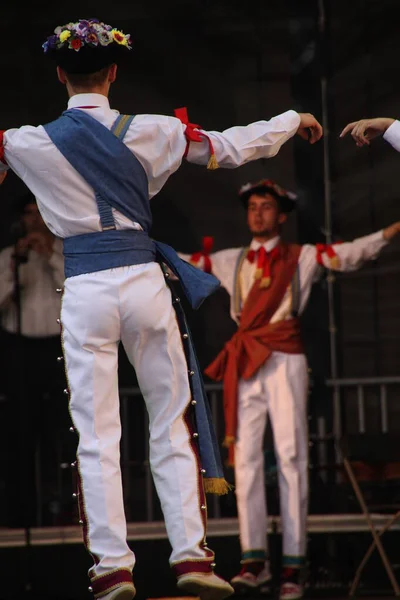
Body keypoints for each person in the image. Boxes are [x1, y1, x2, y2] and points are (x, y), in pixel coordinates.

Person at [0, 17, 323, 600]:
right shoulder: (155, 131)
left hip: (87, 289)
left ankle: (112, 567)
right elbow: (229, 147)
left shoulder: (26, 142)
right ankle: (191, 556)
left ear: (58, 76)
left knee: (96, 434)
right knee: (169, 418)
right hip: (144, 283)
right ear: (114, 73)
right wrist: (289, 120)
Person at [180, 178, 400, 600]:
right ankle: (254, 561)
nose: (258, 213)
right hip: (247, 361)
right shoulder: (232, 259)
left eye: (266, 206)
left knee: (292, 458)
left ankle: (294, 566)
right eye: (253, 207)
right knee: (243, 461)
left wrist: (390, 232)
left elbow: (350, 254)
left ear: (281, 215)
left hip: (285, 358)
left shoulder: (302, 257)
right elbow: (185, 262)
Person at [0, 192, 68, 527]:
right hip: (20, 352)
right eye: (28, 214)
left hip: (58, 351)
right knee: (21, 433)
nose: (34, 221)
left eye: (39, 213)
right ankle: (22, 514)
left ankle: (65, 510)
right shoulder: (8, 257)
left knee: (62, 431)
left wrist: (50, 256)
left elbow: (74, 295)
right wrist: (16, 265)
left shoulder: (64, 254)